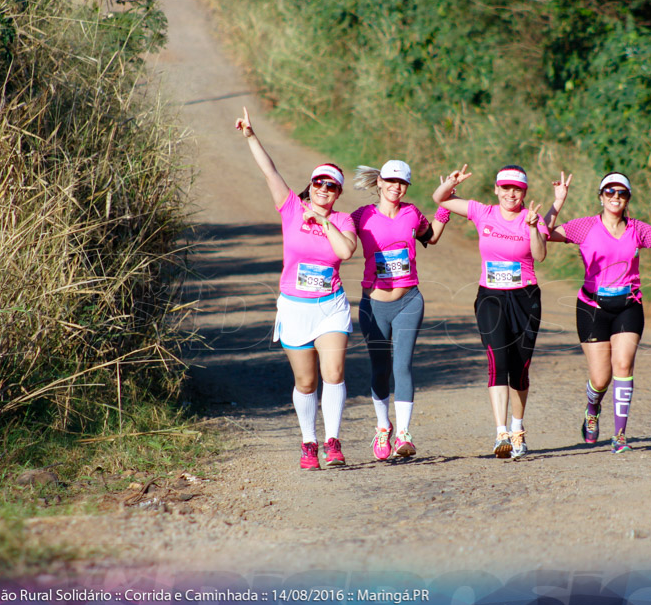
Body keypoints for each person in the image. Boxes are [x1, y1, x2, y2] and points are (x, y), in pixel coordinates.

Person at [234, 107, 358, 470]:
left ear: (337, 193)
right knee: (305, 382)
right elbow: (269, 171)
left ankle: (333, 442)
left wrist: (322, 220)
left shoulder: (341, 220)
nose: (323, 189)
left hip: (330, 307)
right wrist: (251, 136)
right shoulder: (290, 208)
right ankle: (309, 444)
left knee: (333, 373)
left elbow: (346, 251)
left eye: (331, 186)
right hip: (294, 307)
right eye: (319, 183)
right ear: (311, 184)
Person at [433, 164, 568, 459]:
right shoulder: (484, 212)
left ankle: (518, 429)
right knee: (498, 360)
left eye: (516, 189)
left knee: (520, 369)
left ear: (524, 193)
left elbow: (540, 255)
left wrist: (534, 227)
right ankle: (501, 433)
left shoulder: (530, 218)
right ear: (496, 189)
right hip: (491, 298)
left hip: (525, 297)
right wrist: (451, 183)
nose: (510, 193)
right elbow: (440, 200)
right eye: (505, 187)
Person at [548, 172, 651, 453]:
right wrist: (558, 203)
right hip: (592, 307)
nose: (615, 197)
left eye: (621, 193)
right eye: (609, 192)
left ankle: (620, 435)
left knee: (623, 365)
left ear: (628, 198)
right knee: (600, 378)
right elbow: (544, 234)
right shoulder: (584, 227)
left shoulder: (638, 229)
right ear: (600, 196)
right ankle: (592, 407)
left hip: (628, 305)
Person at [351, 160, 450, 460]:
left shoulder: (412, 213)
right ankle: (383, 428)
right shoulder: (361, 216)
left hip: (409, 301)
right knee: (380, 368)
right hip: (374, 304)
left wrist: (444, 206)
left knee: (402, 366)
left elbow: (429, 236)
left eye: (402, 183)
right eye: (391, 181)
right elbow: (337, 240)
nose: (396, 187)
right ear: (379, 182)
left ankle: (404, 434)